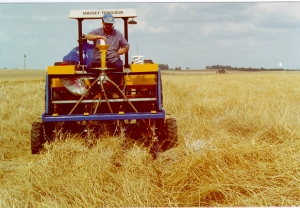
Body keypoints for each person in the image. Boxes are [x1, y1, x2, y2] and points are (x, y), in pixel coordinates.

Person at [85, 13, 129, 77]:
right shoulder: (97, 32)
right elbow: (88, 36)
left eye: (110, 24)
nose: (108, 26)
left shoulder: (118, 34)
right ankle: (95, 85)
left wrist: (124, 49)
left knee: (119, 66)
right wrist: (98, 37)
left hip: (113, 59)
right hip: (98, 59)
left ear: (112, 24)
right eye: (106, 24)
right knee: (89, 67)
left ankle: (116, 86)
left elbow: (126, 45)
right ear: (102, 22)